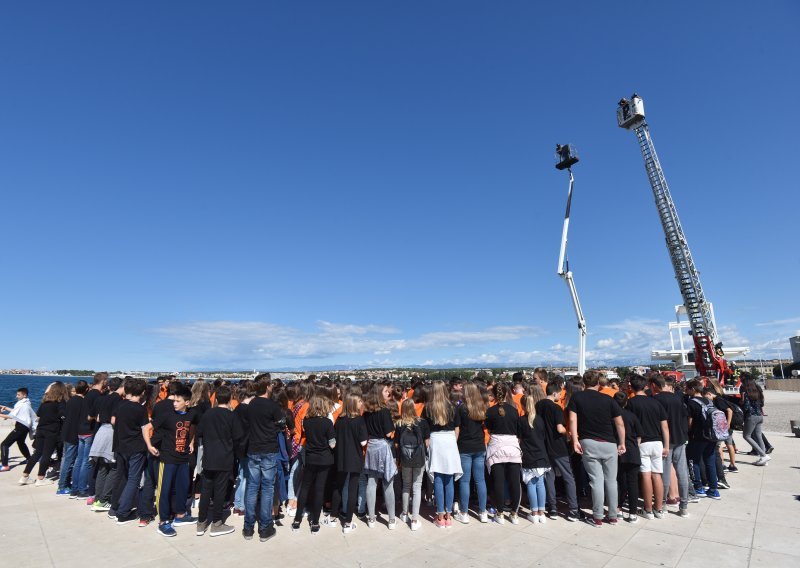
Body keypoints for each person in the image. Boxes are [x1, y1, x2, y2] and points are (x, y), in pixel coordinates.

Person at [568, 369, 626, 527]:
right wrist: (622, 442)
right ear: (599, 382)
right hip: (609, 443)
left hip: (588, 441)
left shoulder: (577, 397)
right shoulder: (608, 399)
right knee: (611, 481)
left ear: (584, 383)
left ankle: (598, 516)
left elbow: (573, 420)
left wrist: (575, 439)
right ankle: (613, 515)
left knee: (596, 481)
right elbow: (619, 423)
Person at [146, 383, 198, 536]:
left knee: (182, 486)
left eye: (177, 401)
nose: (174, 403)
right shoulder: (168, 415)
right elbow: (146, 428)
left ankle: (180, 515)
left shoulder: (192, 414)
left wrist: (192, 442)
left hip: (183, 458)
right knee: (164, 489)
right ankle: (163, 522)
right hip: (167, 458)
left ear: (187, 403)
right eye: (174, 400)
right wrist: (149, 445)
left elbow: (193, 426)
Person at [240, 377, 286, 542]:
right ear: (267, 387)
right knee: (267, 488)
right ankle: (265, 527)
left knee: (253, 487)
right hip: (268, 449)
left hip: (253, 449)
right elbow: (282, 423)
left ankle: (248, 527)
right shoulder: (273, 406)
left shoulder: (251, 404)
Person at [625, 375, 669, 519]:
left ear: (631, 387)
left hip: (642, 442)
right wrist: (666, 445)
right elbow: (665, 427)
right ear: (645, 386)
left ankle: (648, 509)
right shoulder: (656, 403)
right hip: (657, 442)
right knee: (657, 475)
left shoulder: (631, 403)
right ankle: (659, 508)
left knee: (645, 475)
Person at [291, 395, 336, 534]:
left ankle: (297, 519)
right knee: (319, 489)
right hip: (324, 458)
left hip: (310, 457)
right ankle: (315, 522)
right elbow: (332, 444)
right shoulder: (327, 423)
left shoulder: (307, 421)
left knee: (305, 487)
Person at [110, 378, 151, 524]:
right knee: (134, 479)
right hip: (136, 447)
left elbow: (113, 421)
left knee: (125, 477)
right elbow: (145, 428)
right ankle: (123, 512)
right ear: (142, 392)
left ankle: (117, 506)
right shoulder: (140, 409)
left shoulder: (120, 404)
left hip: (121, 446)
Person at [538, 381, 580, 522]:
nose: (561, 396)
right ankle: (573, 508)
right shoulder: (556, 408)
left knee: (549, 478)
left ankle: (553, 508)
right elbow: (559, 428)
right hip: (558, 447)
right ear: (555, 393)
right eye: (560, 393)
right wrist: (569, 434)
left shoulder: (538, 405)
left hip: (544, 446)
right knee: (568, 477)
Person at [649, 374, 690, 517]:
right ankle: (684, 505)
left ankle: (664, 503)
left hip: (665, 440)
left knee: (664, 472)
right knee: (682, 472)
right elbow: (685, 417)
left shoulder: (655, 400)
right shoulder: (677, 398)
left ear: (654, 385)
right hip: (680, 438)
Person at [423, 380, 462, 528]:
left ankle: (440, 516)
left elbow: (425, 429)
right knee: (449, 478)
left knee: (438, 478)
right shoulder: (452, 406)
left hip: (435, 440)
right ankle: (448, 515)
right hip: (450, 440)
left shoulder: (428, 407)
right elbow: (457, 428)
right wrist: (453, 442)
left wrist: (428, 445)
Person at [485, 382, 522, 525]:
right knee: (514, 482)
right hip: (512, 446)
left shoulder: (490, 411)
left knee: (498, 482)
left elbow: (488, 427)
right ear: (507, 393)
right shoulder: (514, 410)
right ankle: (514, 513)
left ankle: (499, 513)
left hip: (496, 446)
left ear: (494, 394)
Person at [362, 382, 398, 529]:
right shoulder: (384, 411)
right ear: (379, 393)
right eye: (385, 391)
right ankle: (391, 519)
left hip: (371, 447)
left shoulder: (367, 412)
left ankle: (371, 517)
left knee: (371, 482)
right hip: (383, 446)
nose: (388, 393)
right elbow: (389, 433)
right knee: (388, 482)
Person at [331, 392, 368, 534]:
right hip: (355, 458)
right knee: (353, 488)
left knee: (338, 487)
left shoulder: (339, 420)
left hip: (340, 457)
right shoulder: (359, 420)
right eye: (359, 401)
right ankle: (348, 522)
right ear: (354, 404)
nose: (361, 403)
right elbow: (363, 441)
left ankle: (333, 516)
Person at [20, 382, 67, 486]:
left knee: (37, 453)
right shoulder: (60, 402)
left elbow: (38, 415)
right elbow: (63, 415)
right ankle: (40, 478)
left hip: (41, 429)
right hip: (52, 431)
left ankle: (25, 476)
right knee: (46, 454)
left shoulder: (45, 402)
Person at [454, 382, 488, 524]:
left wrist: (454, 445)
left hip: (465, 447)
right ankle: (482, 511)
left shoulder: (461, 408)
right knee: (480, 480)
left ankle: (464, 512)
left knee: (465, 481)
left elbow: (457, 429)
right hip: (479, 446)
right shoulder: (481, 408)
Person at [518, 385, 550, 524]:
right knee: (540, 484)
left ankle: (534, 511)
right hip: (541, 454)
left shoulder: (521, 421)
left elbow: (519, 439)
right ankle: (542, 512)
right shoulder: (540, 420)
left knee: (530, 484)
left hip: (528, 455)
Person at [396, 398, 430, 530]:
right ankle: (414, 520)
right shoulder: (422, 422)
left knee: (406, 486)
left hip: (405, 459)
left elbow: (397, 444)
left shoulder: (399, 424)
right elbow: (427, 442)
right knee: (417, 487)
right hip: (418, 459)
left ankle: (404, 513)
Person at [685, 379, 720, 499]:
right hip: (712, 435)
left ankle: (698, 486)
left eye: (687, 389)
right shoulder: (708, 401)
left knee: (693, 460)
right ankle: (713, 489)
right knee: (710, 461)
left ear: (693, 389)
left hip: (698, 436)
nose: (686, 391)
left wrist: (688, 432)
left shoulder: (692, 403)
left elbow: (690, 422)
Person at [57, 380, 89, 496]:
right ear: (86, 390)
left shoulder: (71, 401)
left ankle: (63, 483)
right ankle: (62, 486)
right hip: (73, 434)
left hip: (66, 432)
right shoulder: (82, 402)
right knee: (69, 461)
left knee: (66, 459)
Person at [614, 392, 641, 522]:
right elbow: (639, 435)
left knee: (619, 482)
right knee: (633, 483)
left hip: (617, 451)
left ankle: (618, 508)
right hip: (632, 451)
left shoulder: (611, 417)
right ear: (626, 402)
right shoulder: (632, 416)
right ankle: (633, 513)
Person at [0, 387, 34, 471]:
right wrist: (6, 407)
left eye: (18, 395)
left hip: (20, 427)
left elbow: (11, 416)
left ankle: (5, 465)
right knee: (21, 443)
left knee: (4, 444)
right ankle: (29, 459)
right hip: (25, 427)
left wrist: (1, 415)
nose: (16, 396)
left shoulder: (22, 404)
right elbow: (16, 411)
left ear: (24, 395)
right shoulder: (27, 403)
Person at [740, 373, 769, 465]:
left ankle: (763, 455)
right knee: (758, 436)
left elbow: (746, 407)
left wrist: (741, 402)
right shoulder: (757, 391)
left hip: (751, 416)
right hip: (759, 416)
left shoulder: (746, 392)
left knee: (746, 436)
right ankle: (763, 458)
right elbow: (762, 404)